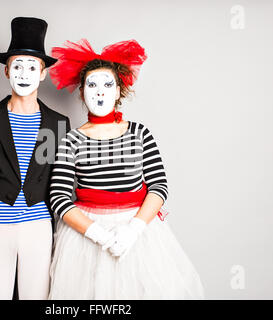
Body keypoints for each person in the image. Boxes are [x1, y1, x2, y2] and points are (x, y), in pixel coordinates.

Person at [47, 39, 204, 299]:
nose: (99, 92)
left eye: (108, 85)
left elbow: (159, 186)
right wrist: (99, 235)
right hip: (87, 236)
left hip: (138, 233)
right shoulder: (71, 139)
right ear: (82, 92)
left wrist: (134, 230)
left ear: (119, 91)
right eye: (92, 85)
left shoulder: (140, 133)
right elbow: (58, 197)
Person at [0, 17, 70, 300]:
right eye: (17, 66)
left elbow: (61, 177)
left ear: (43, 73)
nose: (24, 73)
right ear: (6, 71)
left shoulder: (57, 123)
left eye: (32, 67)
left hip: (39, 226)